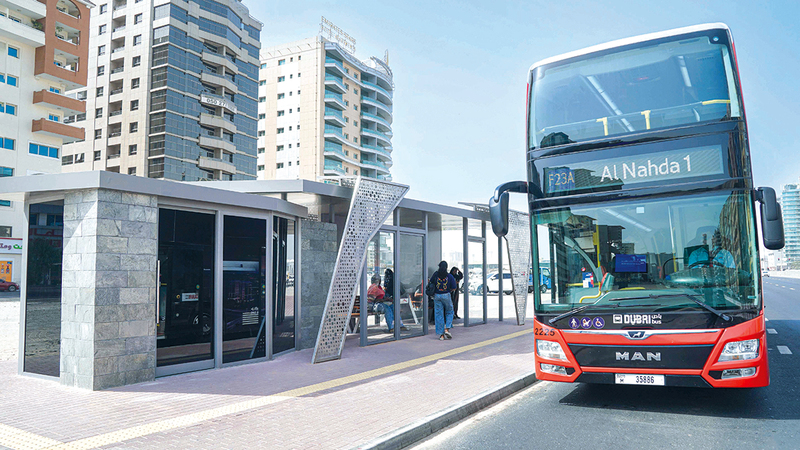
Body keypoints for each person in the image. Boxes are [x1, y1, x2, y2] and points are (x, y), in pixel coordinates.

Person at [430, 261, 457, 340]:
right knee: (450, 311)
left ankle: (441, 335)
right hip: (446, 295)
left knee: (439, 315)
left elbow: (431, 282)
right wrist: (449, 290)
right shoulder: (449, 276)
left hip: (437, 295)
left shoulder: (435, 274)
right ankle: (447, 329)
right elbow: (454, 287)